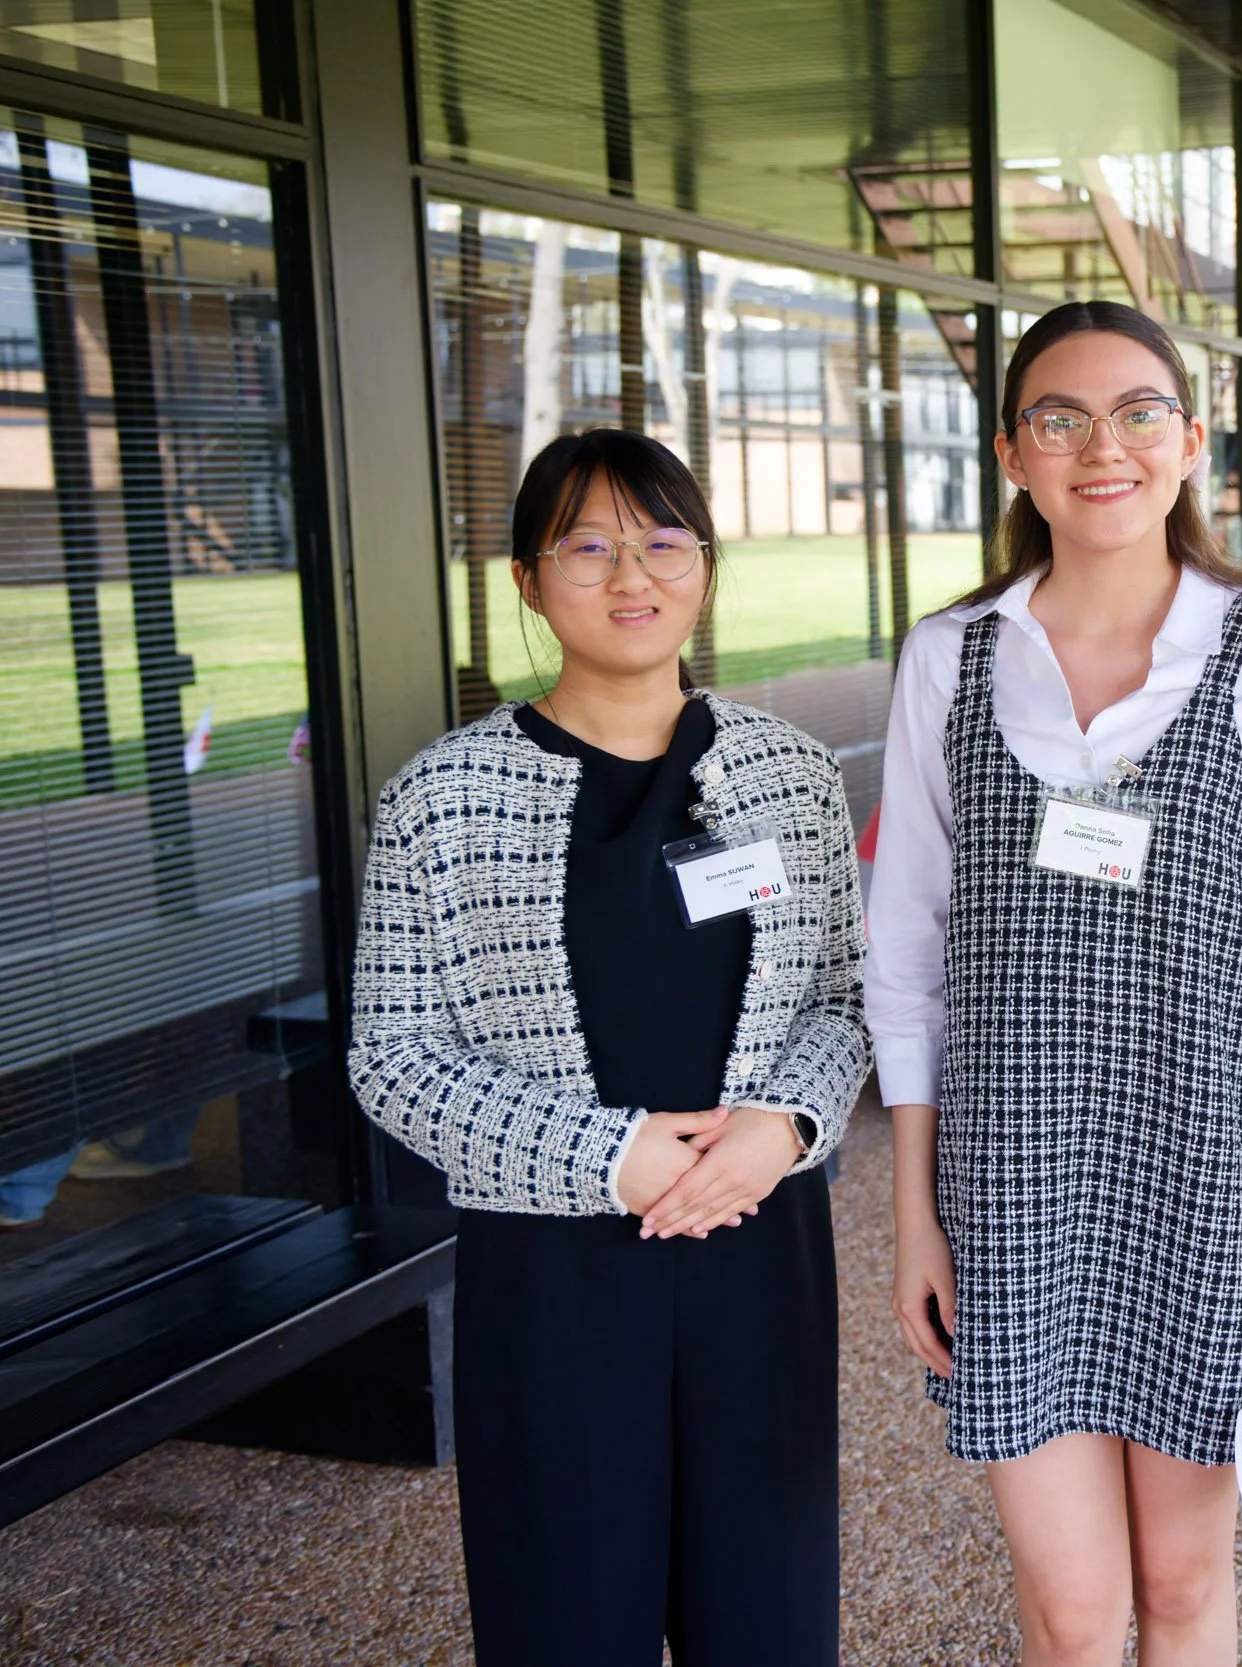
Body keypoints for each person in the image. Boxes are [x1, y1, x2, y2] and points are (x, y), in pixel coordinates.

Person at [865, 300, 1242, 1666]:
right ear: (1013, 453)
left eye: (1141, 411)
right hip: (1009, 1178)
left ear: (1192, 441)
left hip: (1209, 1175)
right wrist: (916, 1214)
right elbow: (905, 952)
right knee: (1074, 1607)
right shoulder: (949, 657)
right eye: (1063, 416)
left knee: (1187, 1581)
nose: (1106, 446)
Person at [347, 428, 867, 1665]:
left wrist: (783, 1125)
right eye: (586, 546)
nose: (630, 576)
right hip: (555, 1268)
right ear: (527, 580)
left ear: (703, 564)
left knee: (771, 1607)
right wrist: (604, 1154)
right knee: (566, 1609)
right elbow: (393, 1052)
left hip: (760, 1241)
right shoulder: (444, 794)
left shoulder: (788, 773)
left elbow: (845, 1001)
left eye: (661, 541)